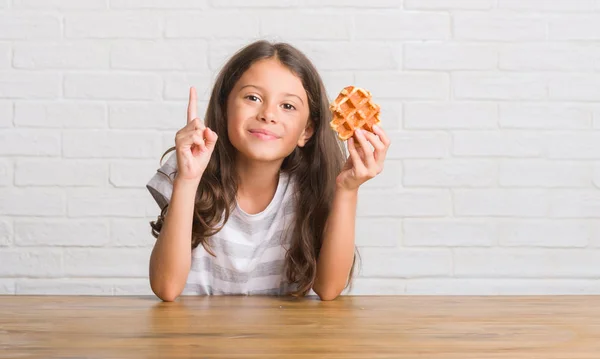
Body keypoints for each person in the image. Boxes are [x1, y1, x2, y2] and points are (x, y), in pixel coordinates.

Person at [146, 40, 390, 302]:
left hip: (282, 339)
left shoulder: (310, 187)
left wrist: (347, 189)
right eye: (253, 97)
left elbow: (329, 289)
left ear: (306, 131)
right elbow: (166, 287)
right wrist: (187, 181)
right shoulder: (187, 169)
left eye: (288, 106)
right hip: (198, 338)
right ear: (225, 108)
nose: (268, 114)